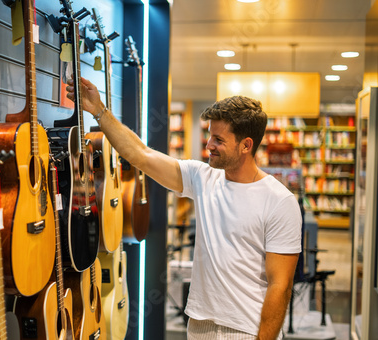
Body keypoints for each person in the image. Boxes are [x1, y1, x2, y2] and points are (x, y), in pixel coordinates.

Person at [66, 77, 302, 340]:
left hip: (245, 330)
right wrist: (99, 110)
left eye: (218, 140)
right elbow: (140, 154)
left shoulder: (279, 201)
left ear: (246, 145)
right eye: (209, 135)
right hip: (199, 326)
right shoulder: (202, 178)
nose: (209, 144)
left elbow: (280, 286)